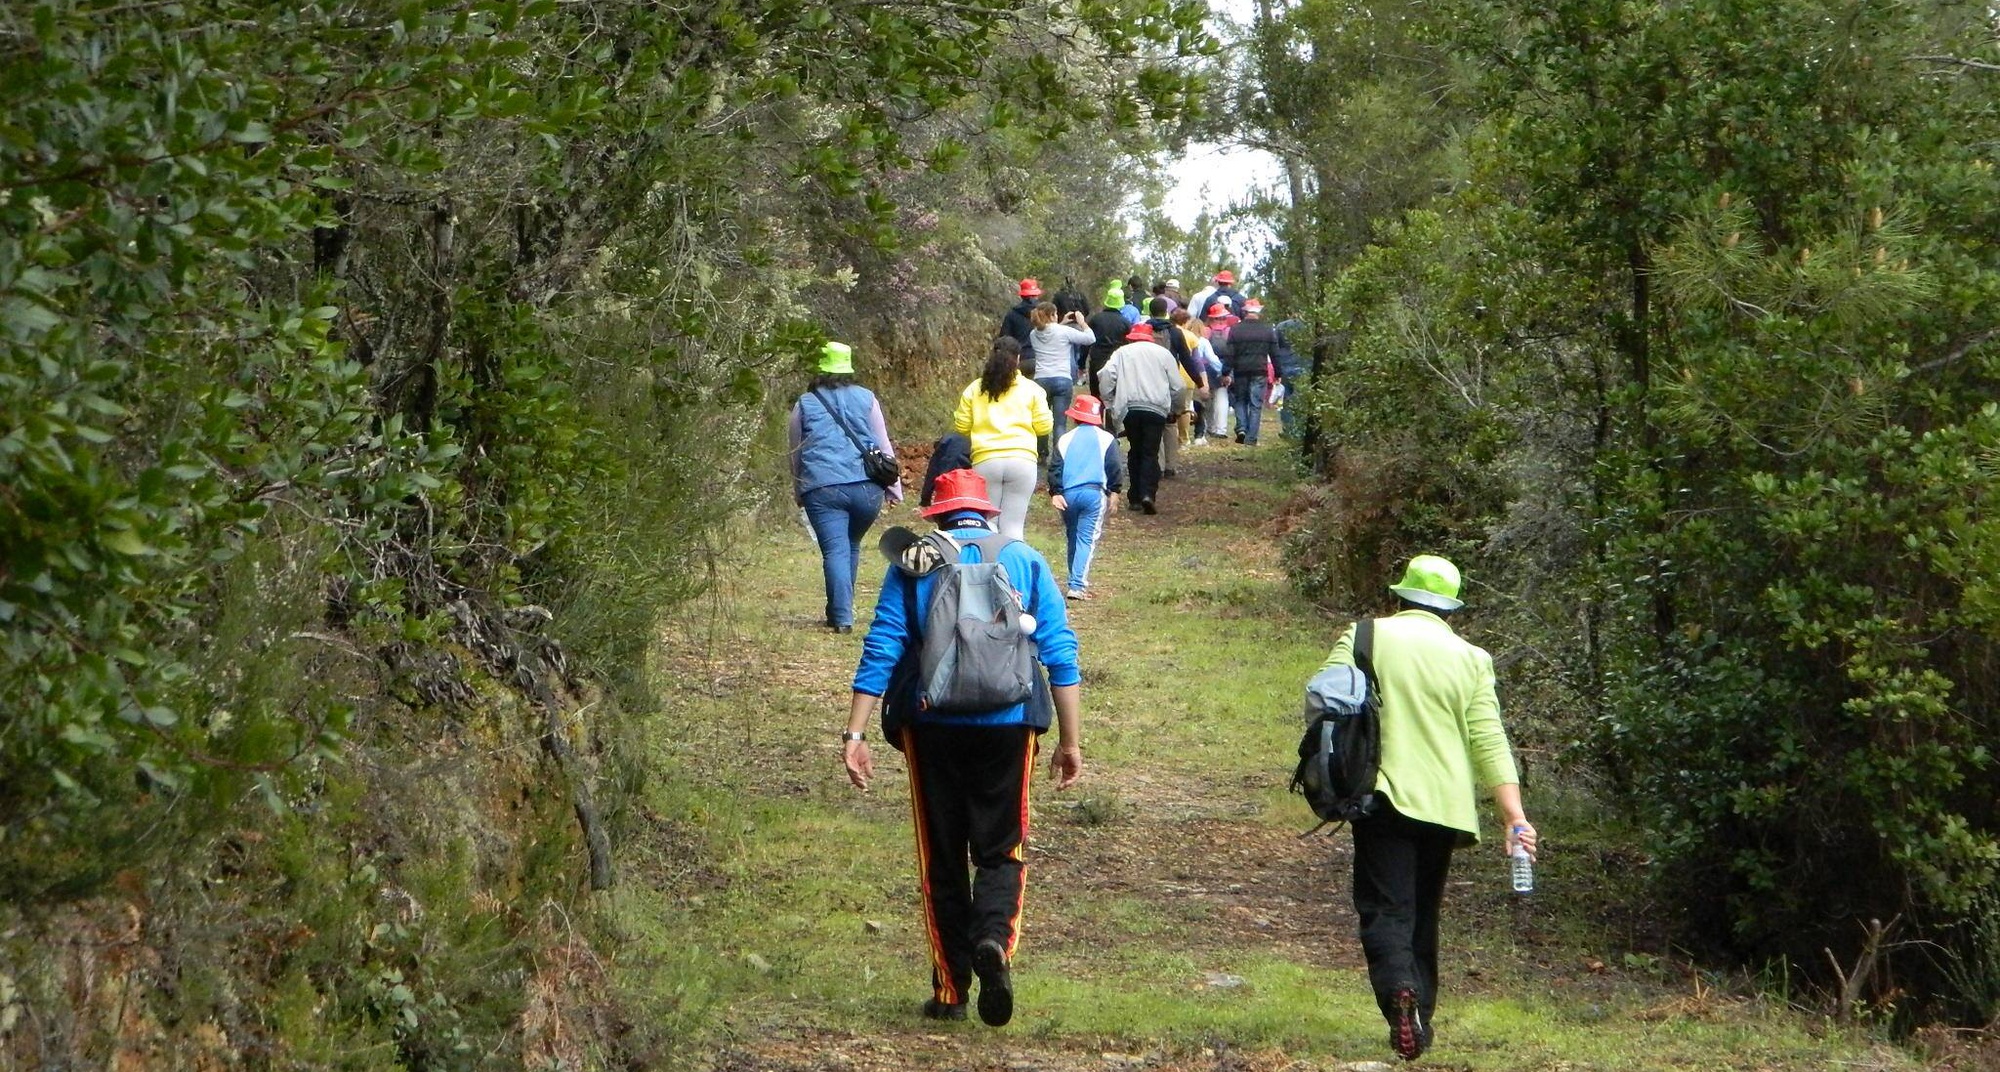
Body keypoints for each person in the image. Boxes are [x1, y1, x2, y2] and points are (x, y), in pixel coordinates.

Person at [841, 468, 1084, 1027]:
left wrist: (855, 733)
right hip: (1010, 723)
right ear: (985, 512)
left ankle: (950, 990)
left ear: (936, 514)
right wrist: (1069, 741)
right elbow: (1060, 653)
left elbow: (883, 644)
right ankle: (994, 938)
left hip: (933, 726)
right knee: (1002, 847)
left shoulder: (914, 563)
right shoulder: (1024, 559)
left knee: (942, 856)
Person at [1316, 555, 1537, 1061]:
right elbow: (1489, 738)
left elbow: (1326, 694)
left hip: (1384, 794)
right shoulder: (1472, 658)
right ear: (1450, 609)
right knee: (1422, 911)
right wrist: (1513, 816)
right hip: (1449, 805)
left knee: (1385, 906)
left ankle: (1399, 992)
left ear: (1401, 595)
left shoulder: (1366, 635)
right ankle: (1422, 1015)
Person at [788, 341, 904, 633]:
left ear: (820, 368)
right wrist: (894, 488)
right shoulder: (867, 398)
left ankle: (841, 617)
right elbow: (883, 444)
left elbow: (796, 451)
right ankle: (839, 609)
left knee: (836, 550)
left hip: (823, 487)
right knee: (849, 545)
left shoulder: (805, 403)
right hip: (867, 488)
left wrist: (799, 489)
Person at [954, 337, 1053, 541]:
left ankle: (988, 569)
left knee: (987, 523)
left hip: (985, 460)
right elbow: (1044, 427)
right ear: (1018, 359)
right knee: (1014, 526)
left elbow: (962, 425)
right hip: (1022, 460)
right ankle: (1012, 570)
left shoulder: (975, 388)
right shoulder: (1032, 389)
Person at [1097, 322, 1179, 514]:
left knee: (1135, 449)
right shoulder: (1163, 354)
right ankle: (1148, 494)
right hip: (1157, 409)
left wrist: (1109, 401)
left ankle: (1134, 497)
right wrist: (1174, 406)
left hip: (1130, 408)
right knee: (1150, 451)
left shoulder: (1121, 353)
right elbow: (1178, 386)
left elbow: (1107, 375)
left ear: (1131, 337)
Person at [1047, 395, 1123, 600]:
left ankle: (1074, 577)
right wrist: (1114, 491)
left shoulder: (1065, 439)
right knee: (1086, 539)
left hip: (1068, 495)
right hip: (1093, 493)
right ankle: (1077, 584)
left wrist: (1056, 491)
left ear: (1075, 418)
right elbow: (1114, 466)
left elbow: (1055, 467)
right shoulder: (1106, 438)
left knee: (1073, 536)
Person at [1026, 302, 1095, 442]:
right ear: (1052, 315)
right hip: (1062, 379)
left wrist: (1061, 323)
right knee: (1060, 423)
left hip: (1041, 379)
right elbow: (1090, 339)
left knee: (1041, 420)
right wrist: (1082, 323)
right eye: (1056, 314)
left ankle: (1042, 455)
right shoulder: (1064, 331)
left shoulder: (1033, 334)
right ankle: (1058, 459)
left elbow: (1051, 332)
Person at [1219, 298, 1279, 445]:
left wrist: (1225, 371)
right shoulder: (1267, 330)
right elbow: (1274, 353)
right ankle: (1251, 438)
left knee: (1240, 400)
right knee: (1256, 404)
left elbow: (1230, 354)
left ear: (1245, 311)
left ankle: (1242, 429)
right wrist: (1278, 373)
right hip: (1260, 370)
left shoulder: (1236, 330)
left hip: (1241, 370)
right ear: (1259, 312)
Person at [1085, 285, 1132, 400]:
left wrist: (1082, 363)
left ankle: (1097, 416)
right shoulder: (1125, 322)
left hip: (1097, 360)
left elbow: (1087, 342)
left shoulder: (1096, 319)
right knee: (1115, 396)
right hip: (1117, 362)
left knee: (1096, 396)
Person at [1200, 303, 1236, 441]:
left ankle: (1210, 427)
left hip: (1206, 367)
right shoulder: (1229, 331)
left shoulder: (1206, 331)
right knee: (1222, 397)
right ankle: (1221, 429)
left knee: (1207, 398)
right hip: (1225, 365)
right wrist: (1227, 372)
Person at [999, 278, 1041, 352]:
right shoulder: (1044, 313)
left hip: (1019, 356)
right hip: (1042, 356)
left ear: (1022, 296)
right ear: (1037, 295)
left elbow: (1004, 339)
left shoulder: (1011, 314)